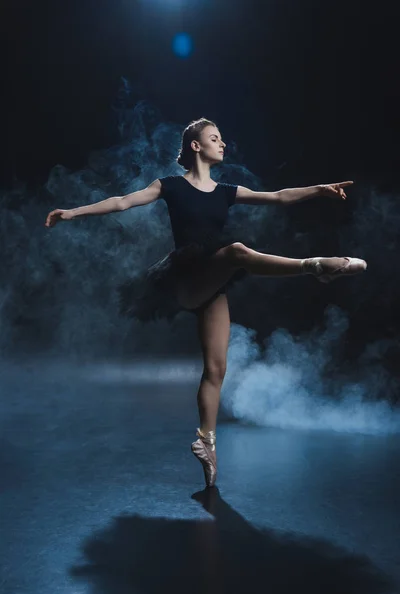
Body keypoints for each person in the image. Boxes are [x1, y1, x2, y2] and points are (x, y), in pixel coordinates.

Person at [45, 117, 367, 488]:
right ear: (196, 146)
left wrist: (320, 189)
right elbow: (122, 202)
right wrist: (72, 212)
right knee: (237, 252)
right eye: (215, 138)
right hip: (183, 280)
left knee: (216, 369)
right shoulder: (169, 186)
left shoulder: (226, 191)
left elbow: (277, 197)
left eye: (222, 139)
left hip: (211, 285)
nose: (223, 144)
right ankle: (316, 266)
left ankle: (207, 443)